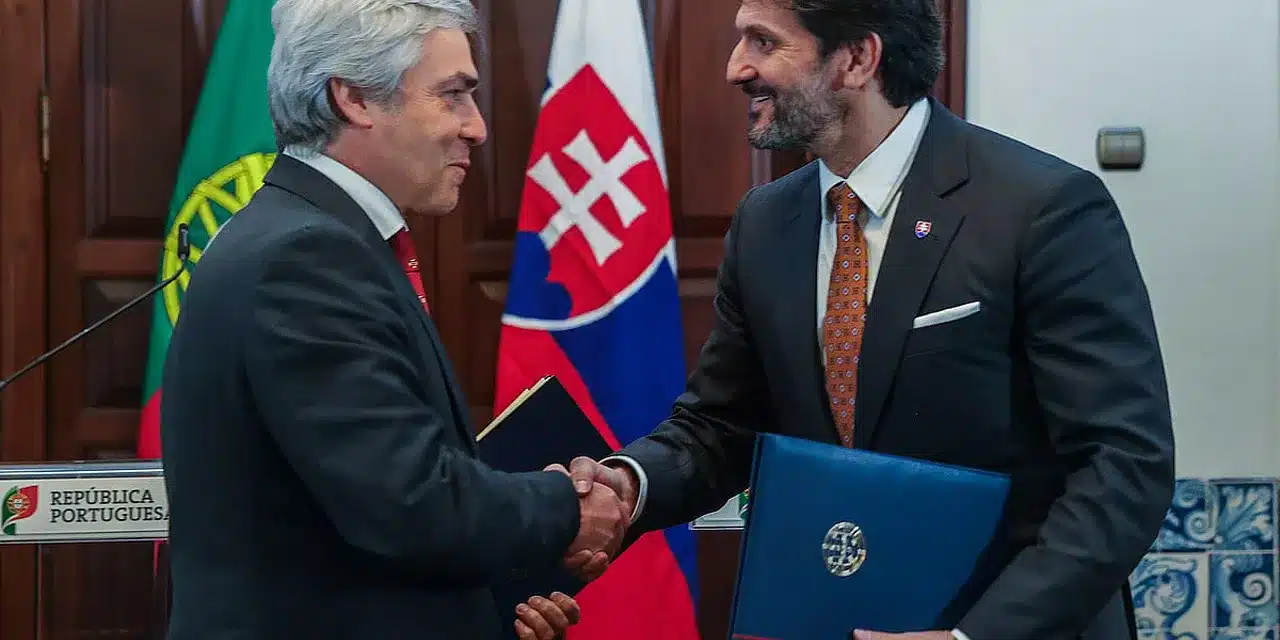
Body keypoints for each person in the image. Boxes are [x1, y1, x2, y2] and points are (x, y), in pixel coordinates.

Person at [566, 1, 1175, 639]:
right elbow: (720, 426)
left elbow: (1124, 464)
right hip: (841, 618)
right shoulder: (766, 223)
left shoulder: (1041, 208)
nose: (735, 67)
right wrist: (628, 485)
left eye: (764, 43)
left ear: (858, 59)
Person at [158, 1, 628, 638]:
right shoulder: (305, 259)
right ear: (353, 97)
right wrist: (568, 507)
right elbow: (413, 505)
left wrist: (488, 607)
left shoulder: (314, 238)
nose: (478, 127)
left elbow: (354, 510)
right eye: (453, 95)